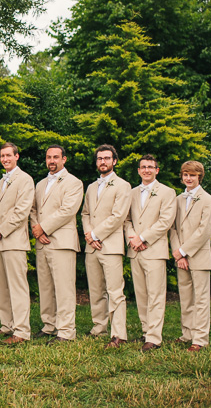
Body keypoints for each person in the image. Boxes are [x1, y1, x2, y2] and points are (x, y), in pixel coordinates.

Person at [29, 145, 83, 343]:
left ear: (64, 159)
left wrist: (43, 228)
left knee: (64, 288)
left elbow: (68, 210)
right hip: (42, 242)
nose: (52, 160)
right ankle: (49, 325)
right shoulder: (40, 184)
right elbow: (32, 209)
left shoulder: (74, 183)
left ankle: (67, 331)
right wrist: (36, 229)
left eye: (56, 157)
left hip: (61, 242)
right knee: (45, 287)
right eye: (49, 157)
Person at [123, 155, 176, 352]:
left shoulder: (167, 192)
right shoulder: (132, 192)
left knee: (155, 294)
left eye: (150, 167)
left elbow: (165, 221)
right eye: (143, 167)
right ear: (138, 170)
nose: (146, 170)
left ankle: (154, 337)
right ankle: (146, 331)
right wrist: (132, 238)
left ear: (157, 170)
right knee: (141, 294)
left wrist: (143, 238)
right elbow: (126, 219)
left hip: (154, 249)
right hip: (135, 250)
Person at [81, 144, 131, 348]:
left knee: (115, 291)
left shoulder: (123, 185)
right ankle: (98, 327)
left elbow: (118, 216)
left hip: (110, 245)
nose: (103, 162)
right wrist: (88, 236)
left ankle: (118, 333)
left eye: (107, 158)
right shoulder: (92, 187)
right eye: (100, 158)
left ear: (114, 161)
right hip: (91, 246)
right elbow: (85, 213)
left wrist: (95, 234)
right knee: (96, 290)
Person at [0, 142, 35, 344]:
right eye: (2, 156)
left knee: (17, 287)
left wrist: (1, 230)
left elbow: (21, 211)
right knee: (2, 287)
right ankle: (7, 324)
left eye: (8, 155)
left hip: (14, 240)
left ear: (17, 156)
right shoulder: (1, 182)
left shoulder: (25, 180)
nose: (5, 159)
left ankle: (22, 331)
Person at [170, 161, 211, 352]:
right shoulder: (178, 199)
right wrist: (177, 254)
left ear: (200, 177)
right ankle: (187, 334)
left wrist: (184, 251)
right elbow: (172, 228)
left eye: (192, 175)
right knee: (186, 297)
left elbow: (204, 231)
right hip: (180, 257)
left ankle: (200, 338)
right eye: (185, 175)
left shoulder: (208, 200)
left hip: (199, 257)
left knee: (200, 299)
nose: (188, 178)